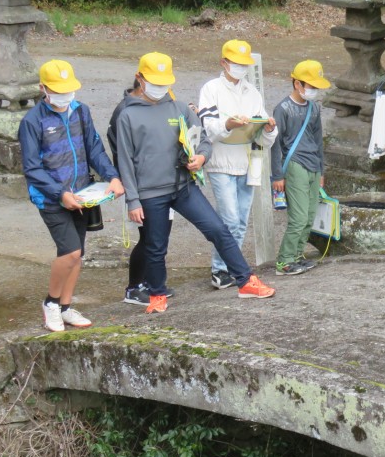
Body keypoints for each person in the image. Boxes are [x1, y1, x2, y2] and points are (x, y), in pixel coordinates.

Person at [114, 52, 276, 313]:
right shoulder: (127, 116)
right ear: (139, 79)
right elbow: (124, 160)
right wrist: (133, 200)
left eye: (164, 81)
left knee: (218, 229)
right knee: (156, 246)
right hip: (150, 193)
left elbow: (202, 139)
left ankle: (245, 280)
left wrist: (201, 157)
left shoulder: (177, 108)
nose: (160, 87)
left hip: (183, 187)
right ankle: (156, 295)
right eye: (154, 81)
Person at [19, 59, 125, 333]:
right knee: (70, 252)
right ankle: (51, 304)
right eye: (58, 90)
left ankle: (65, 307)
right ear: (43, 88)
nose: (65, 95)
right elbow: (32, 168)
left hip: (82, 195)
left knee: (78, 254)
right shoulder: (32, 121)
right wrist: (59, 193)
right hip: (52, 198)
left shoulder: (81, 111)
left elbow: (95, 149)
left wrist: (112, 176)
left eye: (68, 89)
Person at [196, 39, 278, 290]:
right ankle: (219, 268)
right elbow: (207, 128)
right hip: (221, 161)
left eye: (244, 64)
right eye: (236, 63)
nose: (241, 68)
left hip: (247, 161)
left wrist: (268, 128)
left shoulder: (252, 92)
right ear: (224, 62)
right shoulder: (211, 89)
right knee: (229, 217)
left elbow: (263, 137)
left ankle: (231, 266)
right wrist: (228, 125)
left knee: (241, 219)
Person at [106, 77, 174, 306]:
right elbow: (121, 151)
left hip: (164, 180)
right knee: (149, 237)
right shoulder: (125, 110)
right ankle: (134, 287)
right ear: (141, 80)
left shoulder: (160, 101)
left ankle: (153, 283)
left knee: (160, 236)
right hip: (142, 184)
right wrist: (130, 186)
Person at [270, 60, 330, 276]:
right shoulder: (283, 109)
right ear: (297, 83)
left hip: (313, 164)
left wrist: (321, 171)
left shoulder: (314, 108)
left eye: (316, 87)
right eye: (311, 86)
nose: (313, 91)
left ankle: (297, 256)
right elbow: (275, 144)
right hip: (295, 165)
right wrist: (277, 175)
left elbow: (318, 139)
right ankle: (284, 261)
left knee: (309, 215)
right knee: (298, 217)